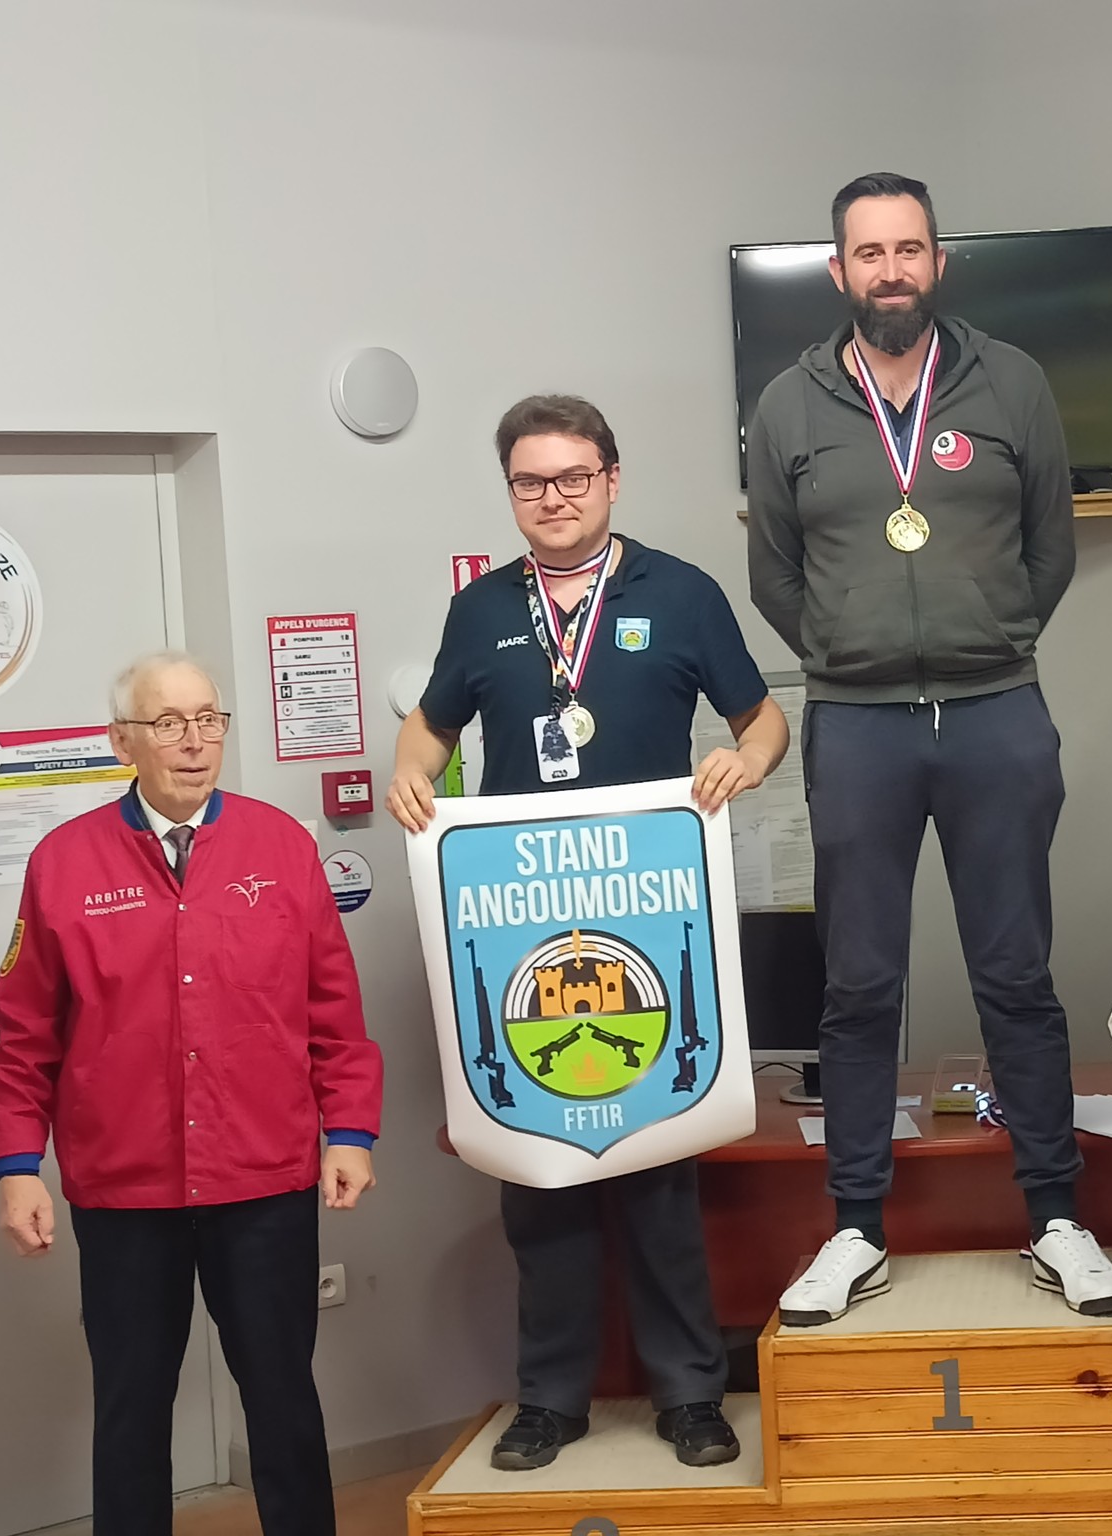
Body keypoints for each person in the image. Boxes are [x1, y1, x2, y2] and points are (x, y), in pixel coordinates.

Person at [746, 171, 1112, 1326]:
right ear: (838, 271)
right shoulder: (787, 404)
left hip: (993, 714)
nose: (891, 271)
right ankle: (853, 1229)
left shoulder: (1011, 382)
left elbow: (1050, 546)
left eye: (908, 249)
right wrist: (845, 654)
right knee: (859, 985)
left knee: (1015, 976)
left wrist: (992, 639)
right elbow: (773, 571)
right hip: (856, 726)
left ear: (936, 262)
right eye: (869, 253)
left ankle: (1054, 1218)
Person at [388, 393, 787, 1472]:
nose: (552, 497)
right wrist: (411, 778)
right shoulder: (480, 609)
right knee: (541, 1178)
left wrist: (746, 762)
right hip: (524, 923)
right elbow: (428, 732)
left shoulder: (681, 593)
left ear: (611, 479)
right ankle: (550, 1401)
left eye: (572, 477)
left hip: (648, 915)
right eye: (530, 481)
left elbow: (762, 719)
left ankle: (689, 1395)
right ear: (511, 491)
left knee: (659, 1172)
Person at [0, 651, 382, 1536]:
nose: (195, 742)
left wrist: (350, 1132)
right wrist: (16, 1167)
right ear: (121, 741)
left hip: (265, 1182)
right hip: (125, 1191)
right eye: (168, 724)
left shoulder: (282, 847)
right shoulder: (63, 862)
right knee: (130, 1411)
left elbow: (335, 1012)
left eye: (208, 720)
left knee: (283, 1401)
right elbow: (23, 1036)